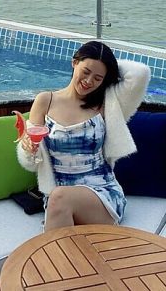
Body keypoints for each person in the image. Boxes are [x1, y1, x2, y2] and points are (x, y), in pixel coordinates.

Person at [16, 41, 150, 231]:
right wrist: (28, 149)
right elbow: (30, 162)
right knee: (59, 199)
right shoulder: (45, 101)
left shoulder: (107, 102)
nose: (89, 81)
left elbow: (140, 73)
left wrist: (106, 61)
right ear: (74, 62)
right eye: (86, 71)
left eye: (98, 78)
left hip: (102, 194)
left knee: (59, 198)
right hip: (57, 198)